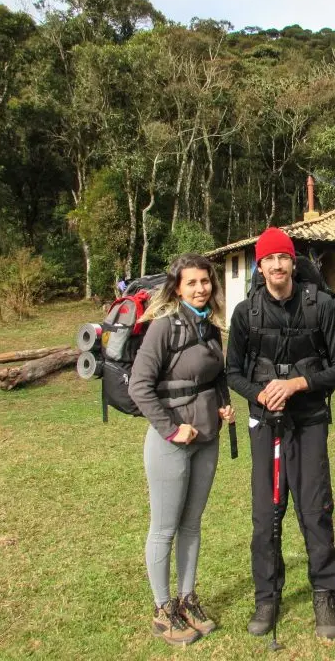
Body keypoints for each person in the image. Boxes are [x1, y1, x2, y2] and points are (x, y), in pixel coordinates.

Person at [226, 227, 335, 641]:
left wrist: (298, 385)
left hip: (310, 419)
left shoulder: (322, 308)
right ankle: (267, 596)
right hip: (266, 424)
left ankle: (325, 592)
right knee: (266, 515)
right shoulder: (247, 313)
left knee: (314, 511)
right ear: (259, 266)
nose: (277, 265)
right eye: (269, 259)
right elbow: (233, 372)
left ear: (293, 262)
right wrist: (261, 393)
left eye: (284, 257)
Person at [128, 254, 235, 647]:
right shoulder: (162, 328)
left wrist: (223, 402)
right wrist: (173, 430)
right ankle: (162, 609)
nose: (201, 288)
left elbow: (216, 375)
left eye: (205, 281)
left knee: (192, 524)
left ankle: (187, 599)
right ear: (177, 287)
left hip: (208, 437)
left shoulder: (210, 327)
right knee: (165, 527)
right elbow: (139, 387)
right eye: (192, 283)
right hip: (170, 443)